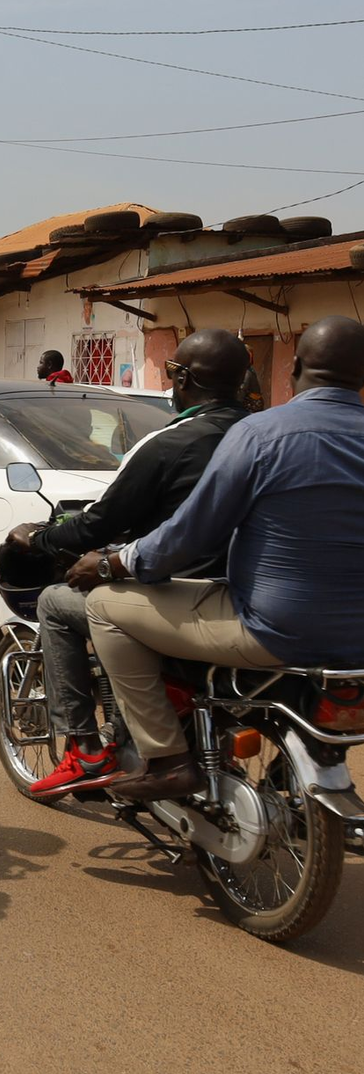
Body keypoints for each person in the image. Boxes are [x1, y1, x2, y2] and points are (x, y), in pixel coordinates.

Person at [74, 315, 364, 800]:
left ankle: (166, 758)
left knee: (104, 606)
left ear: (294, 367)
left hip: (272, 629)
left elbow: (189, 533)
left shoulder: (262, 433)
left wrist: (111, 564)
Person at [7, 329, 250, 798]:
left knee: (56, 602)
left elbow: (101, 524)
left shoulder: (169, 442)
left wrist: (40, 538)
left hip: (186, 599)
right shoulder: (260, 435)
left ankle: (85, 749)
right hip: (256, 598)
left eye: (171, 372)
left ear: (182, 379)